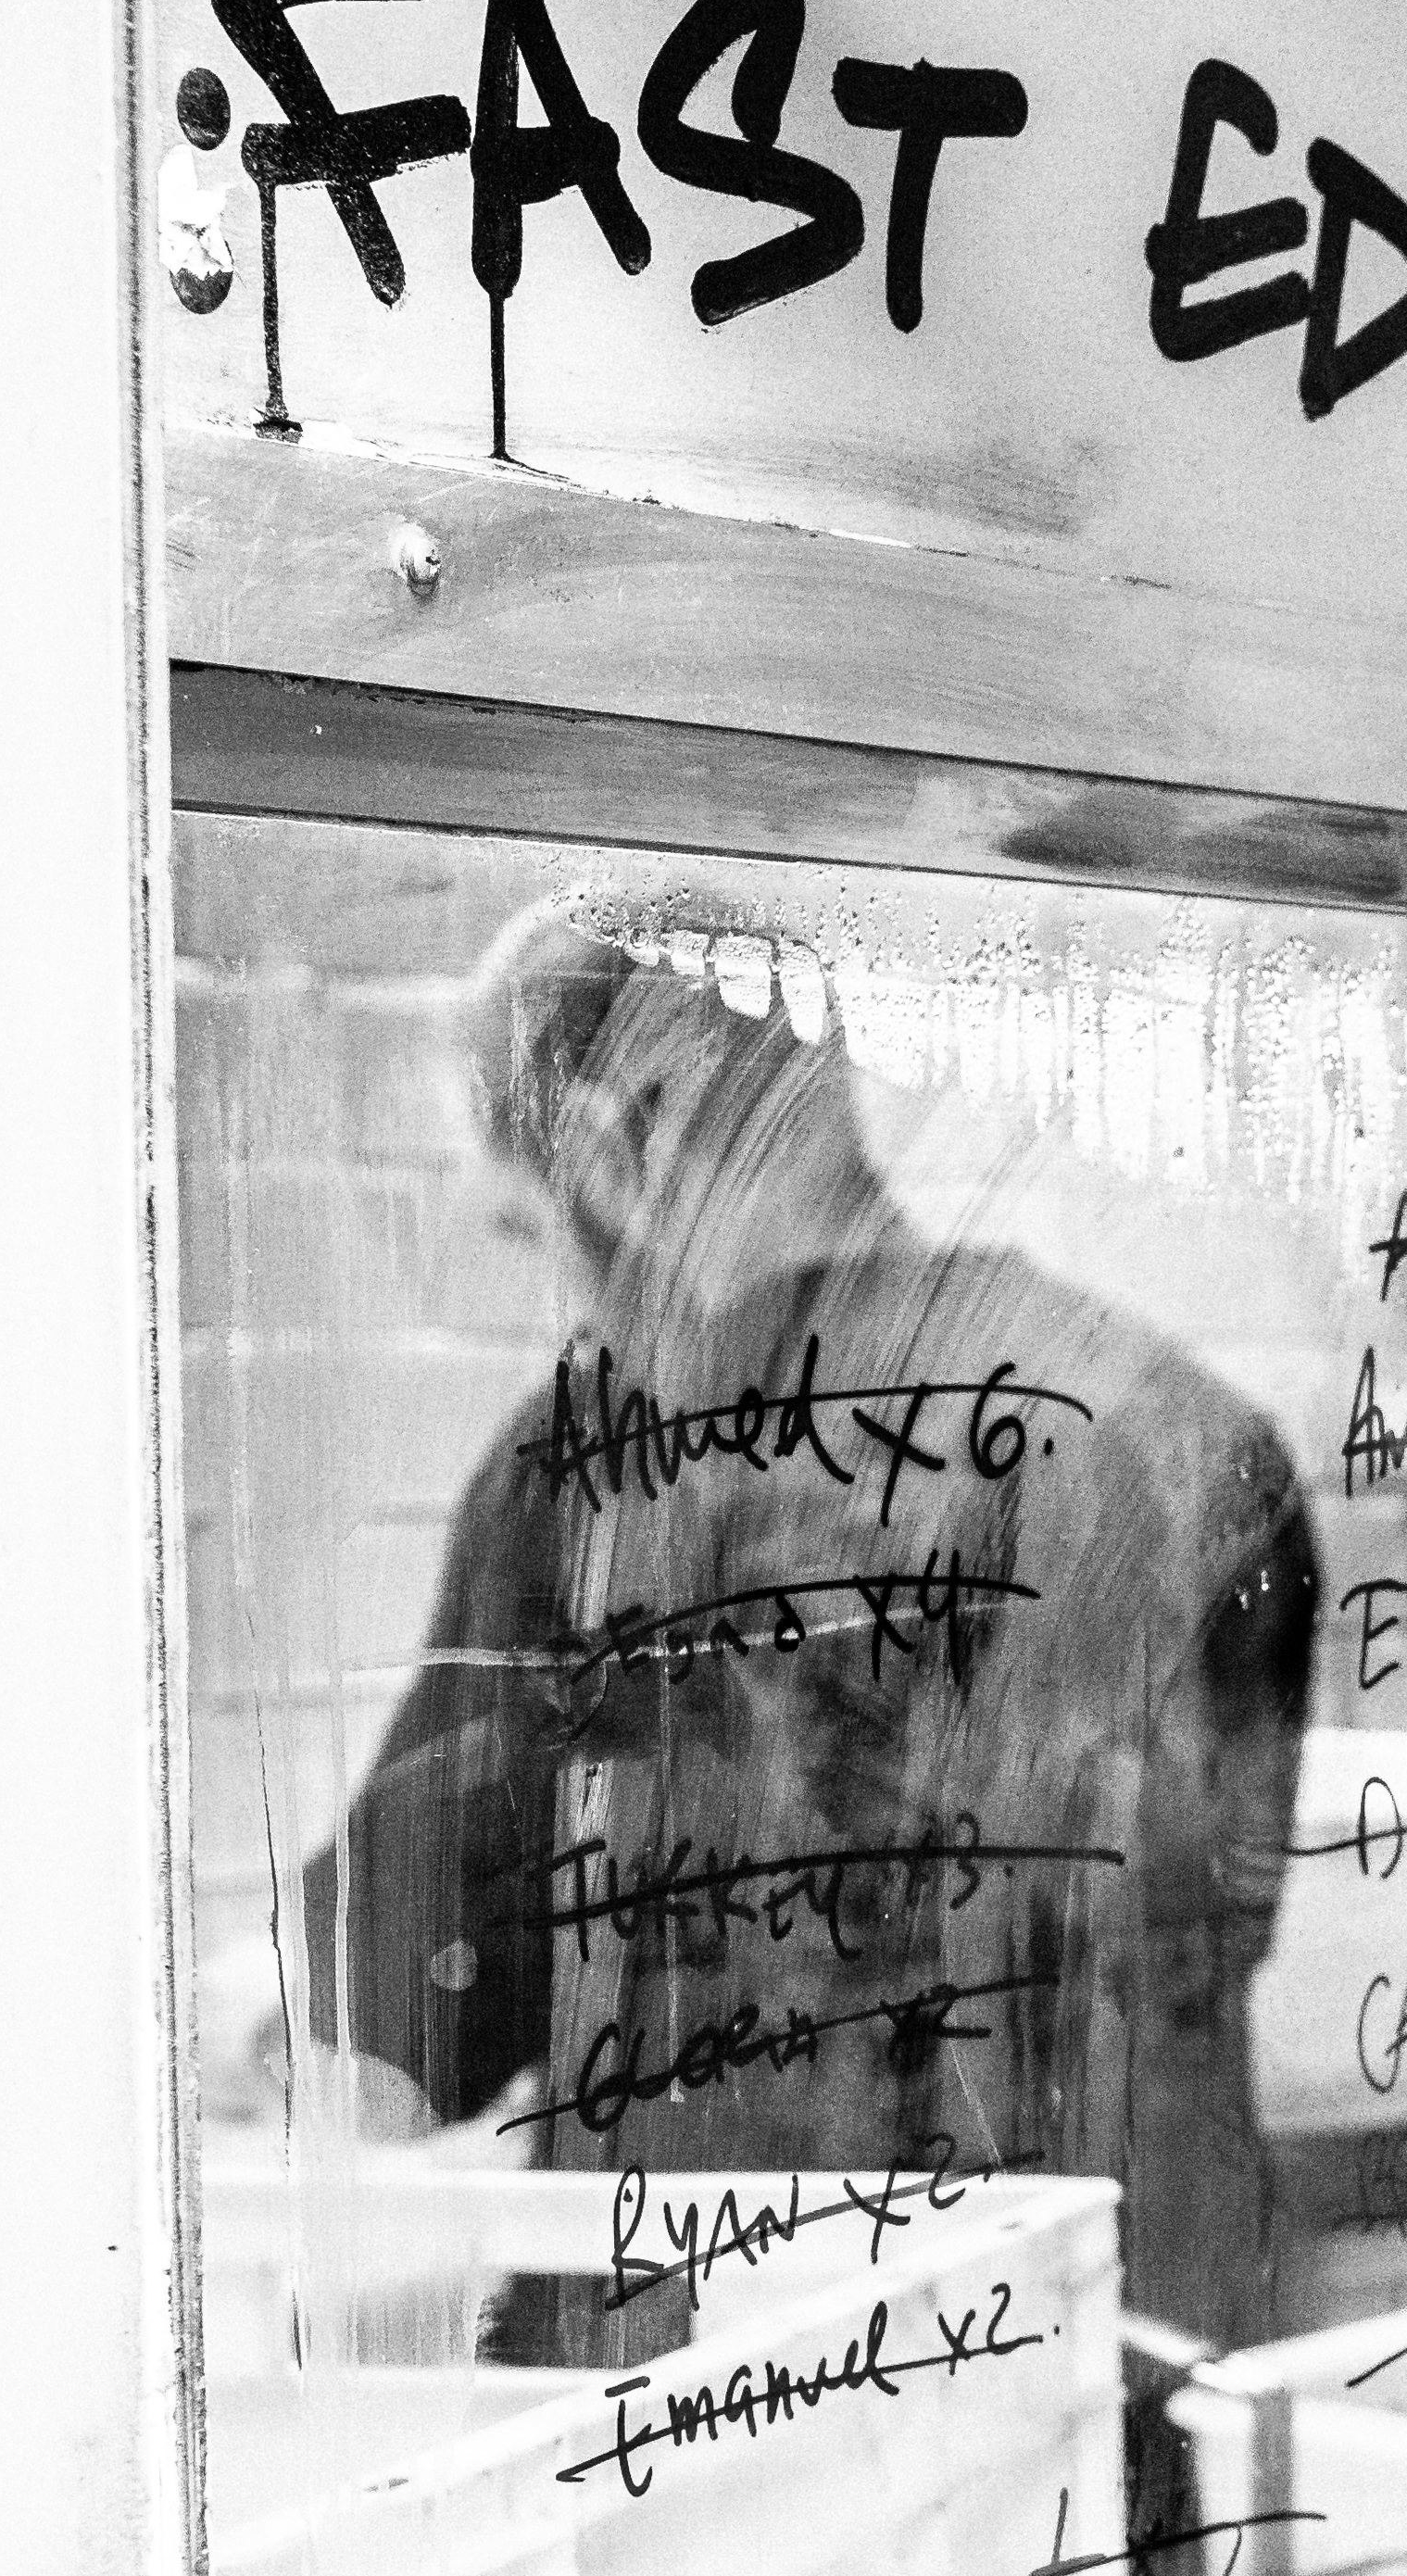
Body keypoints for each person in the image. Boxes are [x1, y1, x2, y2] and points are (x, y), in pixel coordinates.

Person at [295, 904, 1321, 2342]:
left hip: (695, 2468)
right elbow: (1179, 1985)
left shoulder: (588, 1484)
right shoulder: (1189, 1443)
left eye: (534, 1234)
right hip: (1083, 2418)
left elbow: (402, 2016)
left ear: (615, 1150)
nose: (567, 1313)